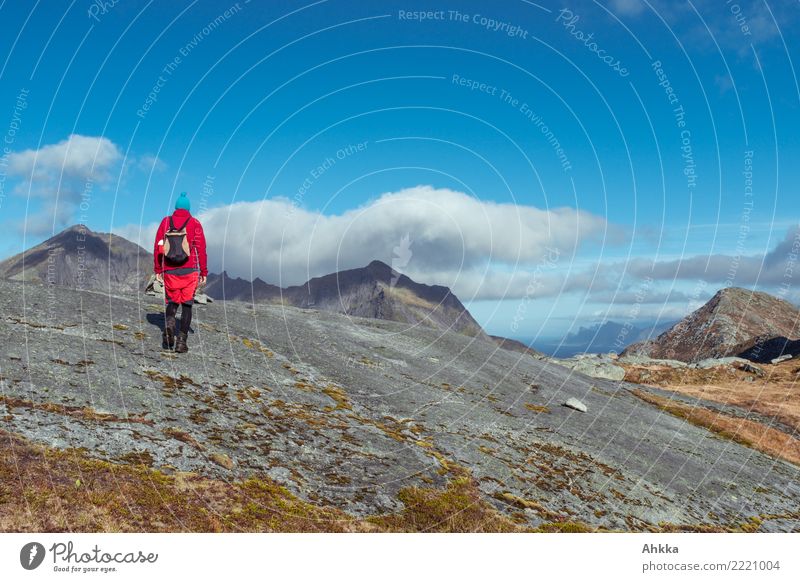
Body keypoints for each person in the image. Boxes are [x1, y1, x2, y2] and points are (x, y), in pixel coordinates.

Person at [153, 192, 208, 353]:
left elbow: (158, 247)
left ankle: (169, 326)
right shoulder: (195, 223)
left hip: (170, 270)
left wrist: (158, 269)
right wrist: (203, 271)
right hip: (190, 271)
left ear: (176, 207)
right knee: (187, 305)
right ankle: (181, 342)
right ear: (188, 208)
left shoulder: (165, 222)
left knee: (172, 301)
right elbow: (201, 250)